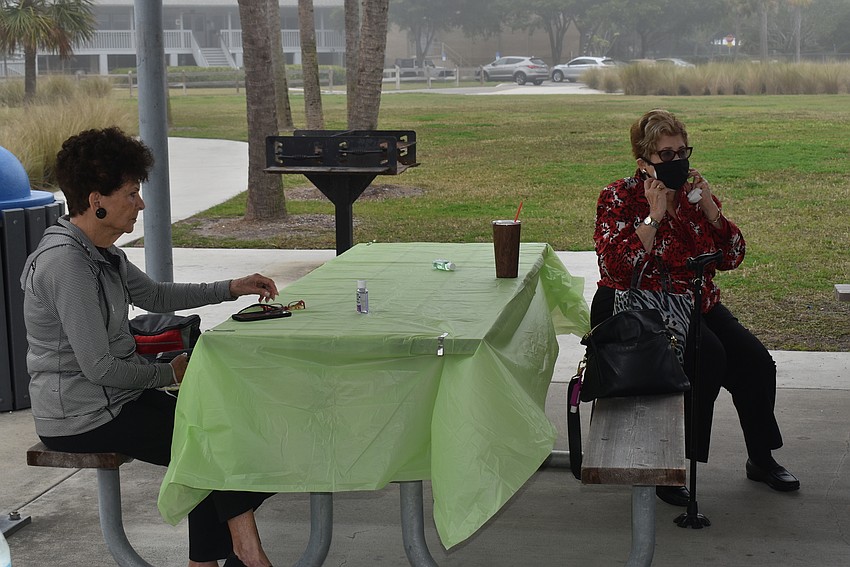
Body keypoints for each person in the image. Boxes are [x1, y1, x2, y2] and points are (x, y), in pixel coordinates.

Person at [21, 127, 277, 567]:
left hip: (119, 400)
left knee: (221, 427)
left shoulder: (102, 253)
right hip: (82, 416)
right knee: (209, 442)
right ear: (97, 199)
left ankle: (218, 557)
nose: (140, 204)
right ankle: (246, 552)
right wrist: (169, 373)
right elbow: (99, 367)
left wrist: (232, 287)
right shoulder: (66, 264)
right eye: (131, 193)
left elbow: (156, 296)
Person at [591, 109, 799, 506]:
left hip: (698, 301)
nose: (677, 162)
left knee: (756, 362)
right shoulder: (618, 197)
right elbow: (616, 266)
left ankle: (760, 457)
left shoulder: (693, 195)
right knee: (708, 359)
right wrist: (652, 216)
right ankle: (673, 467)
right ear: (643, 161)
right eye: (665, 155)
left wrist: (712, 213)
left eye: (682, 152)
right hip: (646, 306)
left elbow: (732, 257)